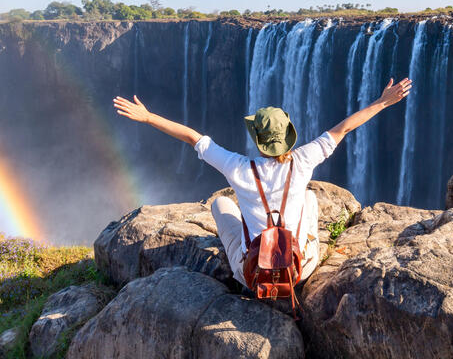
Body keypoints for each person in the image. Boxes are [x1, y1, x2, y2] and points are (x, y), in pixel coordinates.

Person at [113, 76, 411, 287]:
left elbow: (193, 137)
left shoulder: (238, 168)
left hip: (252, 275)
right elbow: (343, 128)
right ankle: (303, 254)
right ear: (288, 138)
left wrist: (149, 117)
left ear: (257, 141)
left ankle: (246, 262)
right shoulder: (303, 160)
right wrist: (383, 102)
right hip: (299, 272)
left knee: (220, 203)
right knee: (308, 198)